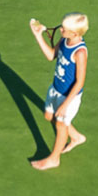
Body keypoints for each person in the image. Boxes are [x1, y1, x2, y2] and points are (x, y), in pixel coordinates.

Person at [28, 13, 90, 171]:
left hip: (69, 97)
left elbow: (79, 82)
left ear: (74, 33)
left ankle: (54, 159)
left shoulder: (80, 53)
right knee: (49, 116)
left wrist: (65, 105)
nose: (60, 29)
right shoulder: (64, 40)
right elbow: (51, 56)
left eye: (64, 28)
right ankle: (76, 137)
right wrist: (38, 36)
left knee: (61, 125)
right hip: (55, 89)